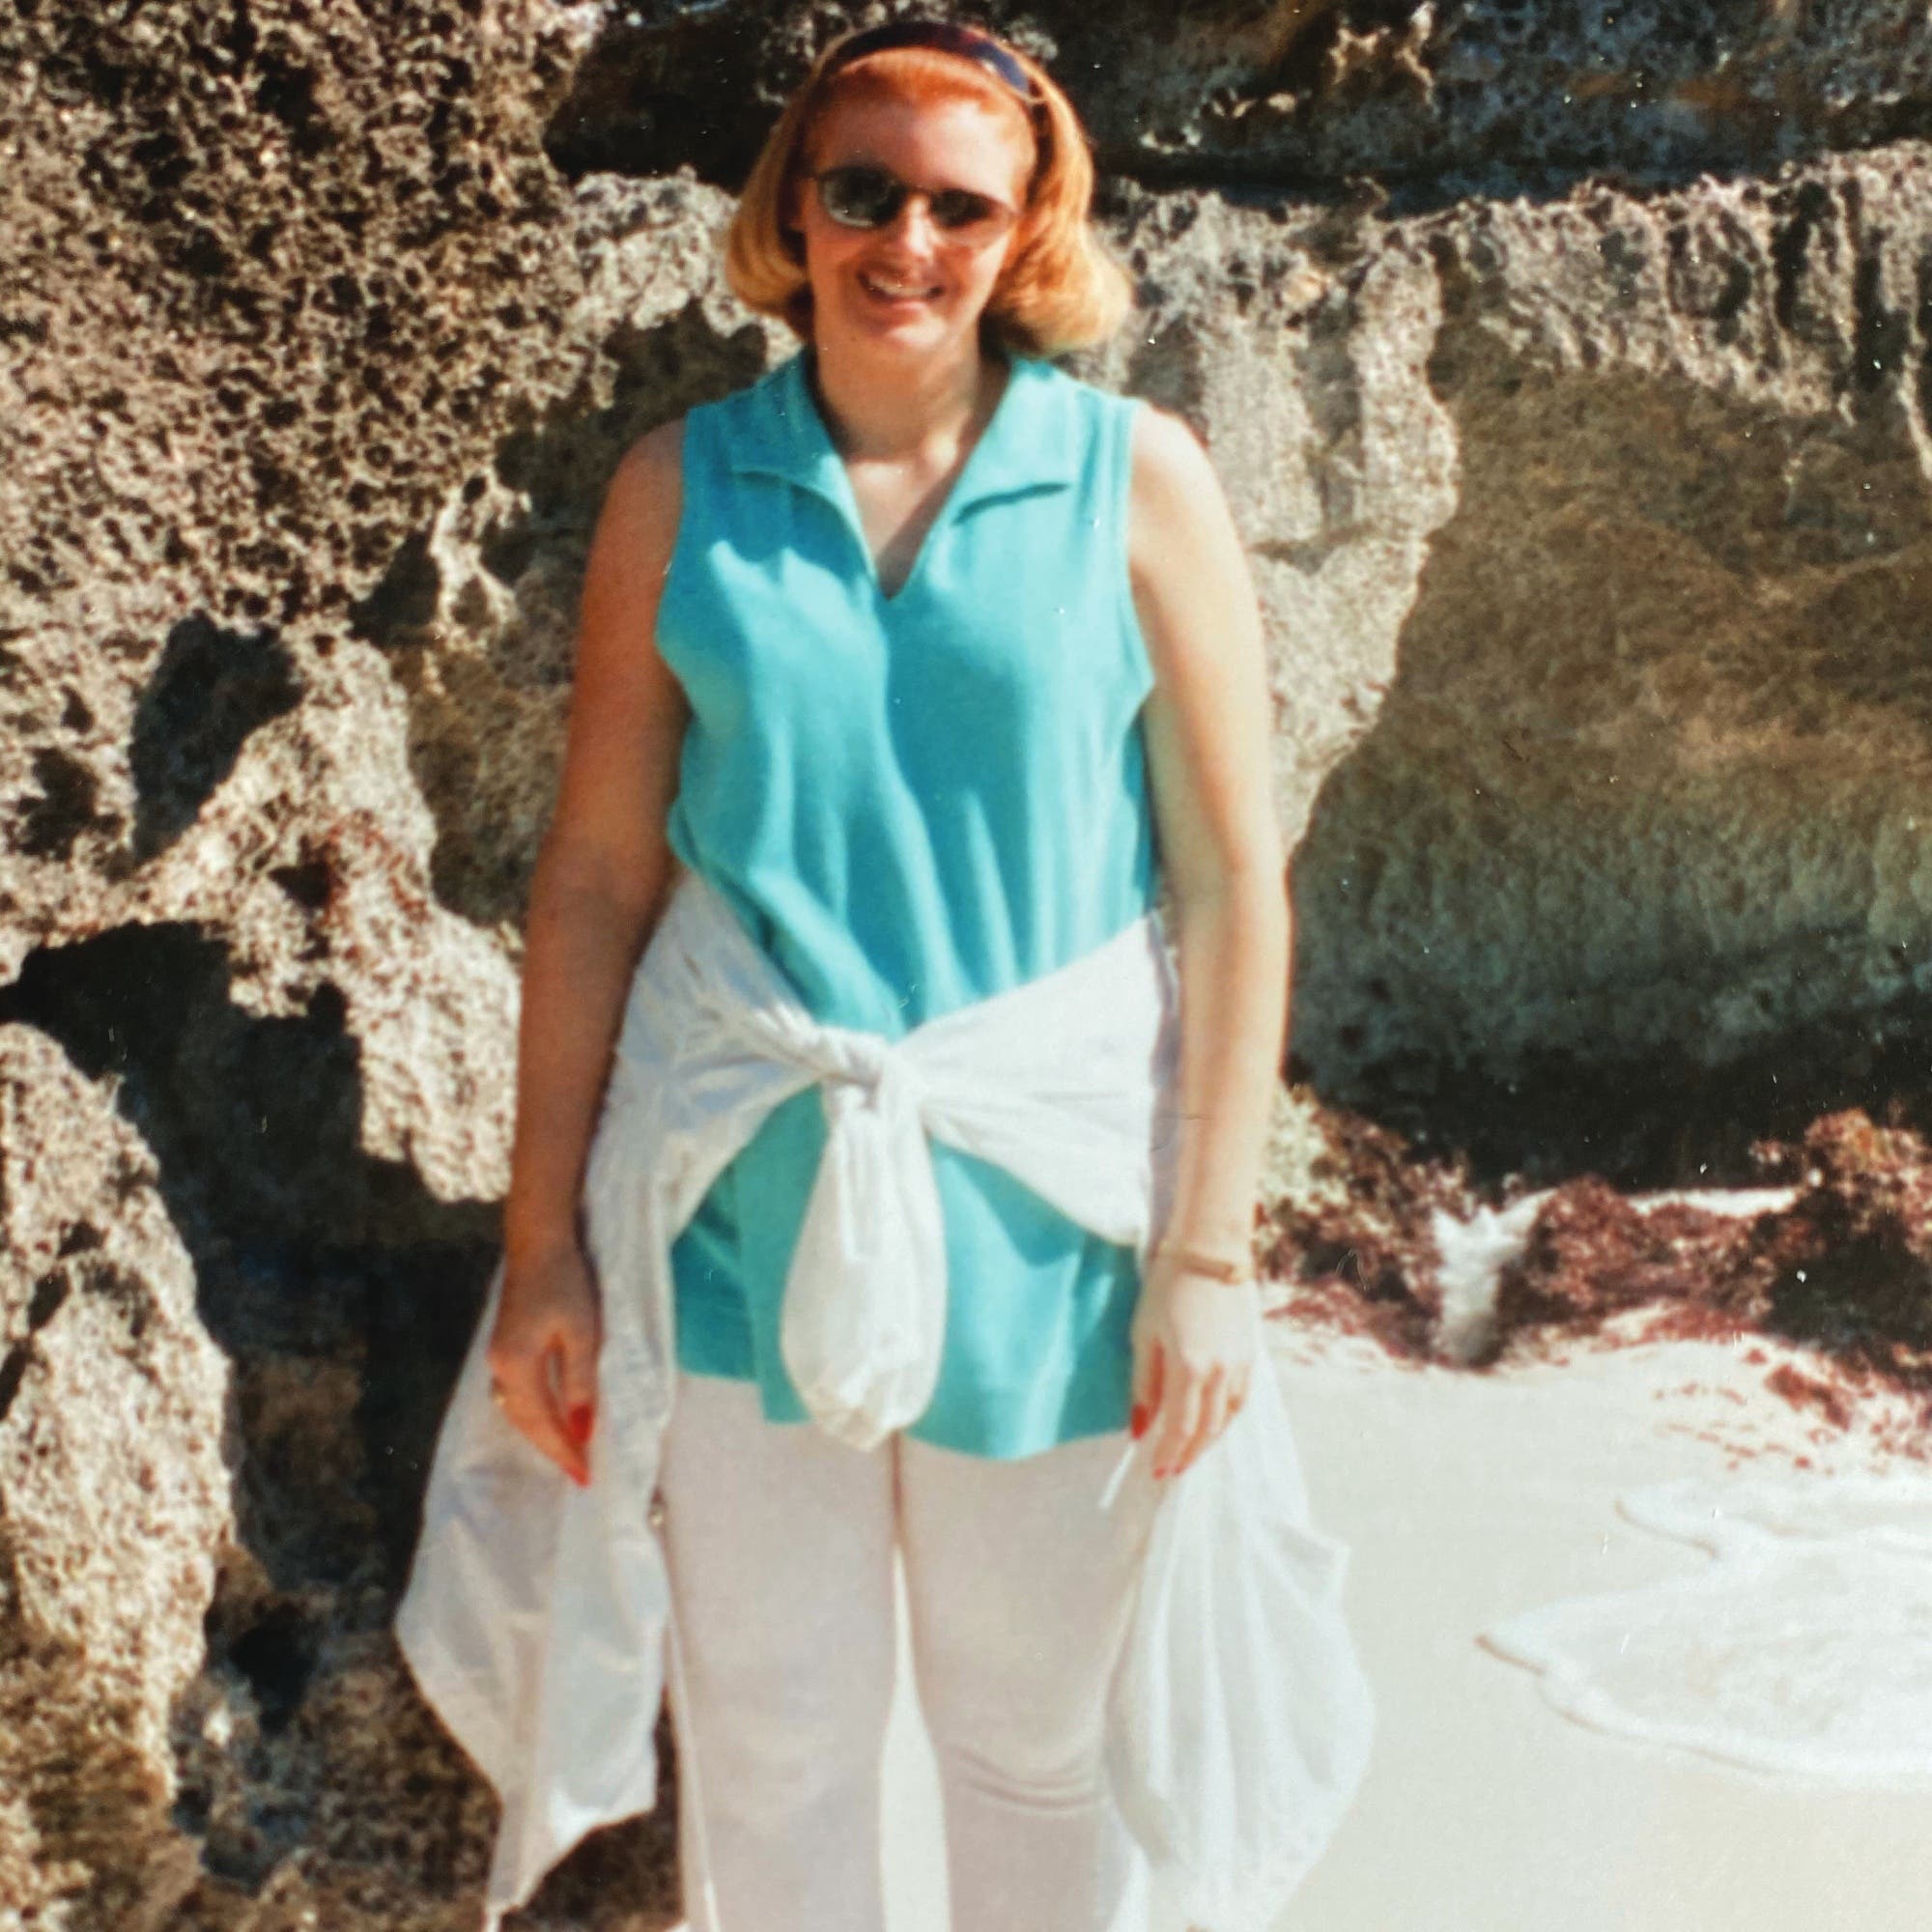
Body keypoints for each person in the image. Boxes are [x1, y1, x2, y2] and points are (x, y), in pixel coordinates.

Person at [481, 16, 1288, 1930]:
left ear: (1026, 232)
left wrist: (1207, 1257)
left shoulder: (1136, 478)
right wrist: (540, 1247)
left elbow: (1233, 884)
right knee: (774, 1747)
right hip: (738, 1204)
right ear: (794, 209)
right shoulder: (681, 487)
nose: (906, 241)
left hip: (1056, 1222)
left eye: (958, 205)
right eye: (862, 191)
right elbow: (593, 881)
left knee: (1031, 1746)